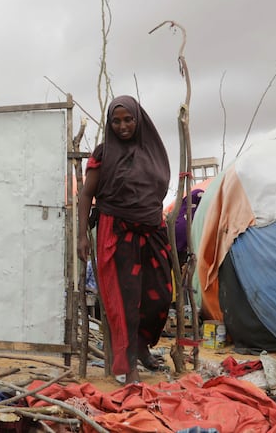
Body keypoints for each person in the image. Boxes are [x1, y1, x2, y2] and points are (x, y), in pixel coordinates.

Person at [77, 95, 173, 384]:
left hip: (152, 230)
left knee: (160, 295)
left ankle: (142, 345)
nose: (122, 126)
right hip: (117, 232)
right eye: (116, 121)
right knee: (125, 301)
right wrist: (82, 234)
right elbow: (86, 195)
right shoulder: (104, 154)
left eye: (128, 119)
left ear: (138, 119)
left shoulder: (153, 151)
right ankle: (129, 367)